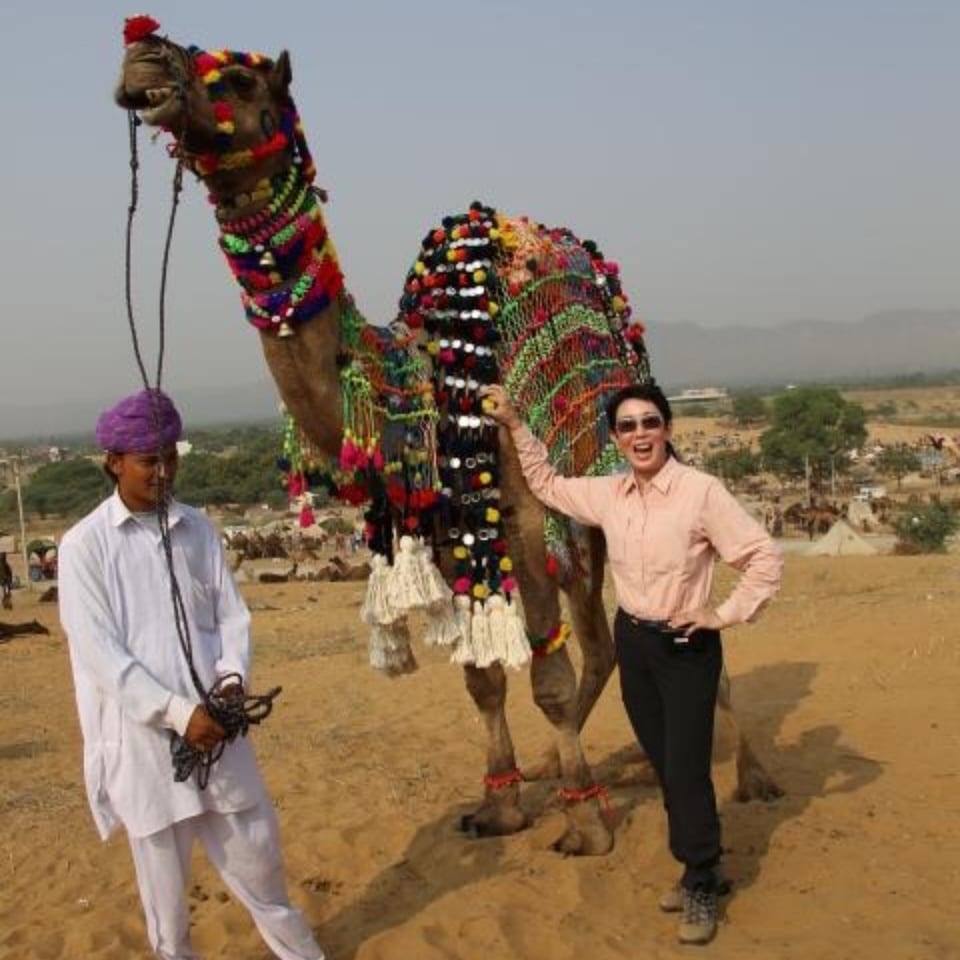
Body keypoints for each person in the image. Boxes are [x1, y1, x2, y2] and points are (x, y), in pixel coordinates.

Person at [481, 381, 782, 946]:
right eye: (627, 426)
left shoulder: (700, 492)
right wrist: (516, 424)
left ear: (667, 429)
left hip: (686, 646)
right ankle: (702, 864)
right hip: (635, 644)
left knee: (687, 770)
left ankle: (700, 879)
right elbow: (547, 485)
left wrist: (722, 614)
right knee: (666, 764)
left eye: (649, 422)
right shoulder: (610, 493)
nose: (640, 434)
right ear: (616, 438)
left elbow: (763, 557)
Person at [58, 388, 324, 960]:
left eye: (170, 458)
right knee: (168, 910)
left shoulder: (198, 528)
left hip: (220, 735)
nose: (163, 472)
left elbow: (232, 617)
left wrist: (230, 683)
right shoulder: (84, 547)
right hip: (148, 749)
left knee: (262, 870)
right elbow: (103, 656)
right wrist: (179, 715)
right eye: (148, 461)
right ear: (114, 461)